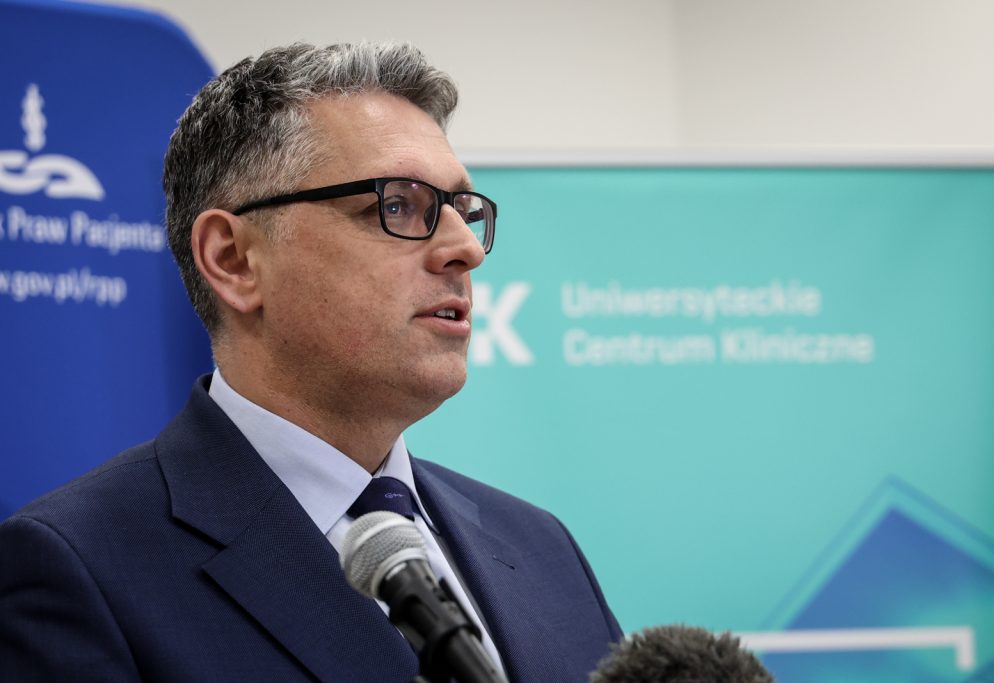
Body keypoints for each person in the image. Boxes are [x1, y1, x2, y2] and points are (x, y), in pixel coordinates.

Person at [0, 43, 621, 682]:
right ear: (234, 259)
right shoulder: (79, 566)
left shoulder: (542, 547)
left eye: (464, 211)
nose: (466, 249)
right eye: (397, 205)